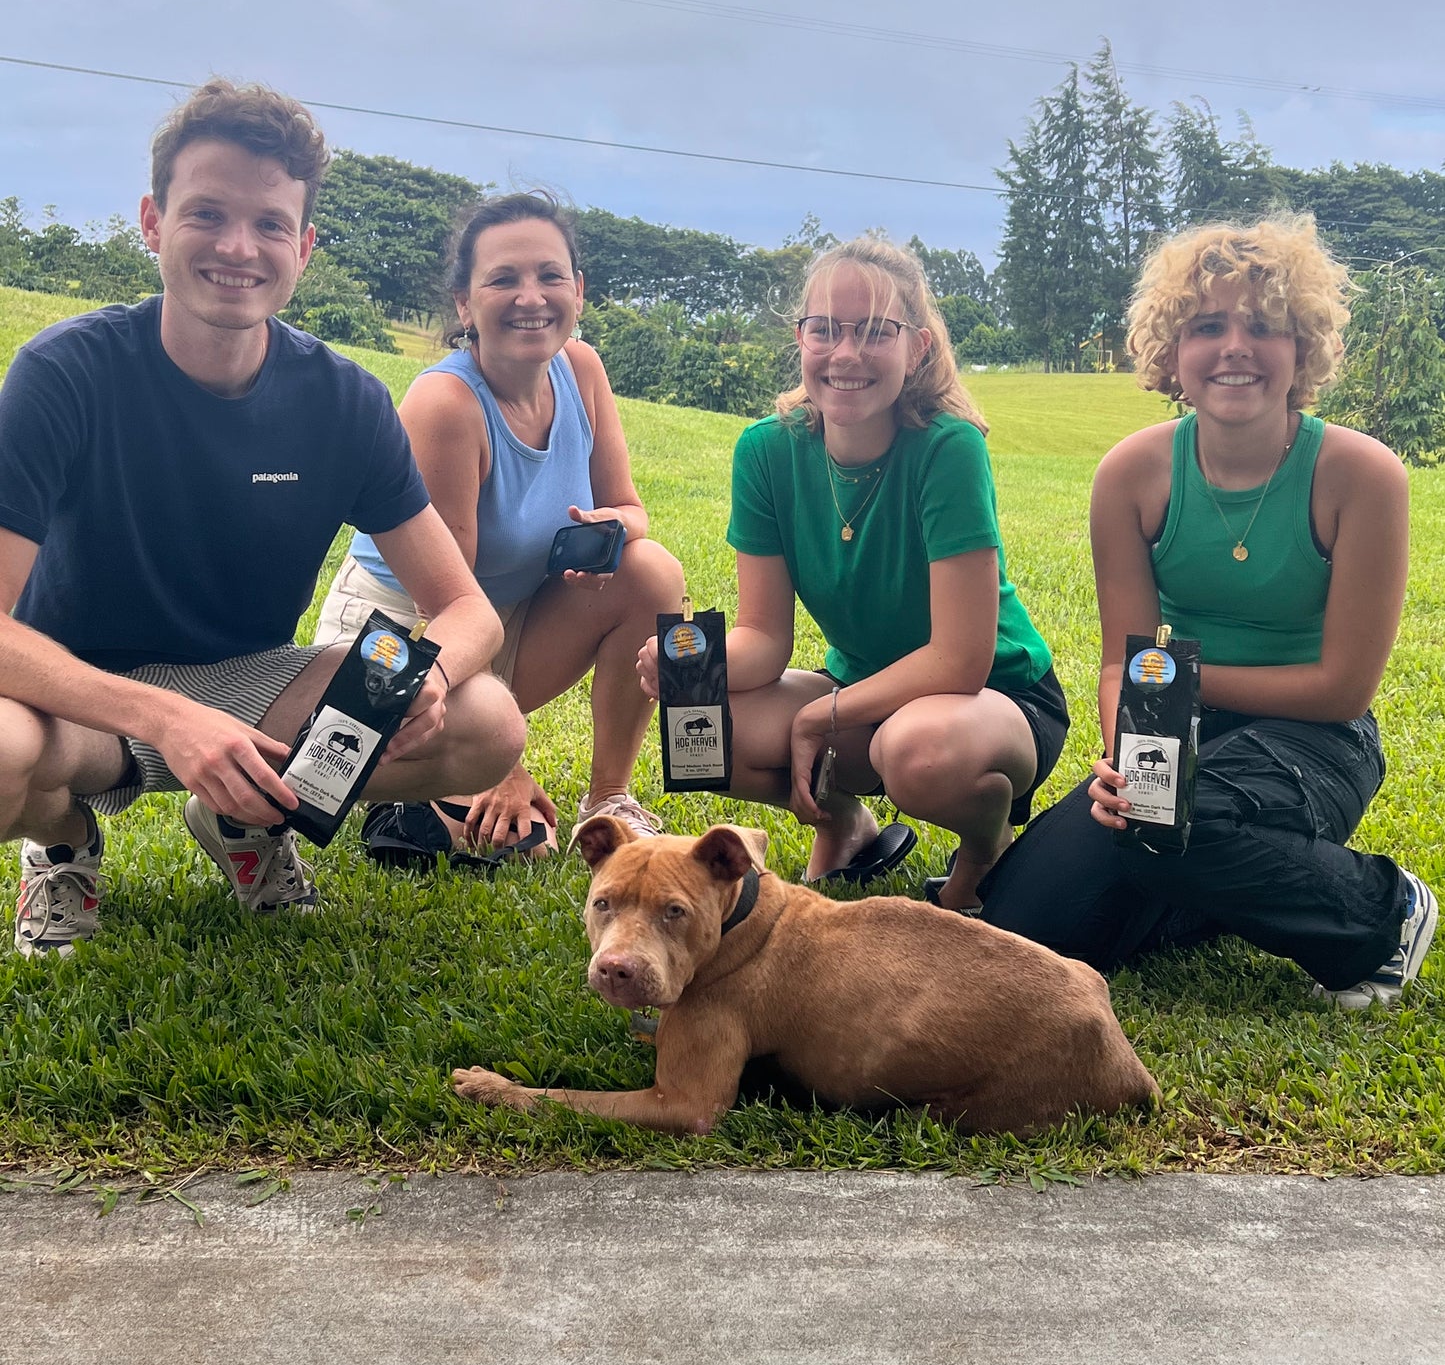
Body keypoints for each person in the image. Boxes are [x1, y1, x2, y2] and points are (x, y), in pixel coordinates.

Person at [0, 79, 526, 956]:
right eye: (206, 213)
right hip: (82, 692)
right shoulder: (65, 373)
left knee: (487, 721)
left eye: (270, 224)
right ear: (151, 221)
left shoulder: (344, 401)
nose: (238, 247)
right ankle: (62, 842)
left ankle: (245, 817)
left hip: (253, 682)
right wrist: (166, 718)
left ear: (305, 247)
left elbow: (465, 608)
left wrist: (429, 678)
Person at [978, 216, 1437, 1008]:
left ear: (1302, 348)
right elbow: (1127, 660)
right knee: (1021, 917)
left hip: (1319, 741)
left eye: (1263, 326)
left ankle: (1380, 910)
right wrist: (1131, 753)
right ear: (1172, 352)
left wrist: (1183, 677)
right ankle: (1223, 879)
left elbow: (1341, 689)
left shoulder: (1362, 474)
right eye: (1207, 326)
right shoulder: (1132, 473)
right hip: (1177, 722)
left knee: (1170, 822)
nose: (1234, 347)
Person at [640, 235, 1067, 906]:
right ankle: (844, 824)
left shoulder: (947, 447)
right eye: (825, 330)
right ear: (800, 337)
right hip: (866, 690)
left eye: (874, 332)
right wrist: (687, 667)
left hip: (995, 698)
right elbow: (764, 637)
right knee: (701, 720)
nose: (845, 354)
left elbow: (959, 659)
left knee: (916, 751)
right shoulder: (764, 451)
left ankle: (986, 851)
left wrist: (820, 715)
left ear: (916, 347)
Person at [315, 191, 683, 859]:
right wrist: (503, 764)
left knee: (653, 570)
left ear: (578, 289)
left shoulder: (583, 369)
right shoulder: (446, 403)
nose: (530, 296)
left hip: (505, 616)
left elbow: (631, 506)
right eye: (503, 279)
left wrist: (611, 528)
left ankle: (607, 797)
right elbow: (443, 600)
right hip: (401, 629)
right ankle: (415, 792)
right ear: (464, 303)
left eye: (549, 275)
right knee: (522, 841)